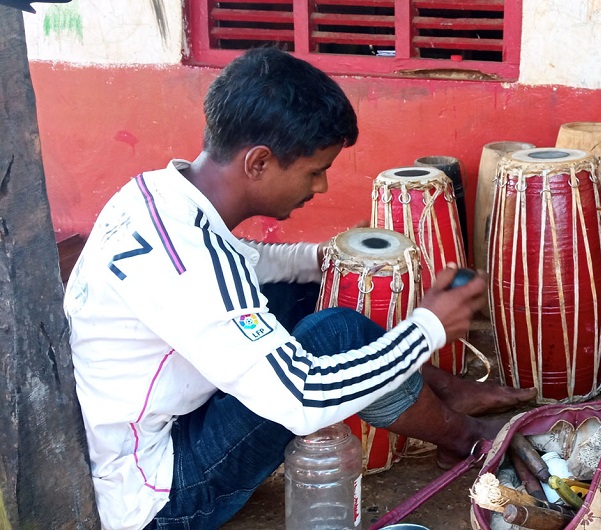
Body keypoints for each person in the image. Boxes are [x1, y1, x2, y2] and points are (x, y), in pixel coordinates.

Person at [63, 47, 536, 530]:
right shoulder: (187, 263)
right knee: (335, 333)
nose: (324, 187)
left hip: (148, 431)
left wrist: (333, 258)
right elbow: (301, 398)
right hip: (161, 495)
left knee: (319, 292)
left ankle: (444, 393)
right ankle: (467, 436)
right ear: (259, 162)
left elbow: (248, 262)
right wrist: (427, 328)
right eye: (315, 170)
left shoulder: (159, 197)